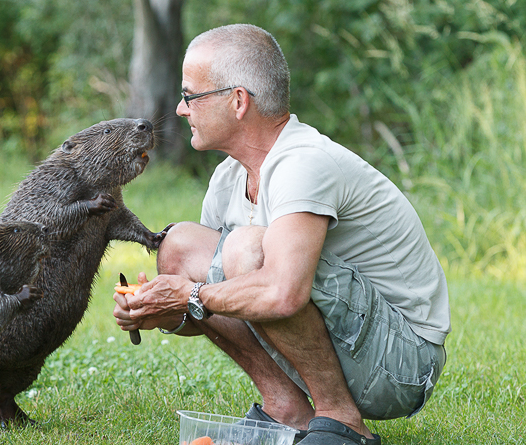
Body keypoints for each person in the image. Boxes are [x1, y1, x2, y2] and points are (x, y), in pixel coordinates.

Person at [113, 23, 450, 445]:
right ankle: (287, 412)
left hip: (401, 363)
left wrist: (188, 296)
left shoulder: (303, 163)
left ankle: (342, 422)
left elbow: (282, 294)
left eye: (190, 96)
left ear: (237, 102)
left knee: (246, 249)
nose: (181, 110)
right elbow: (217, 306)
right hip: (348, 345)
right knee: (180, 247)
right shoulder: (227, 180)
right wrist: (163, 311)